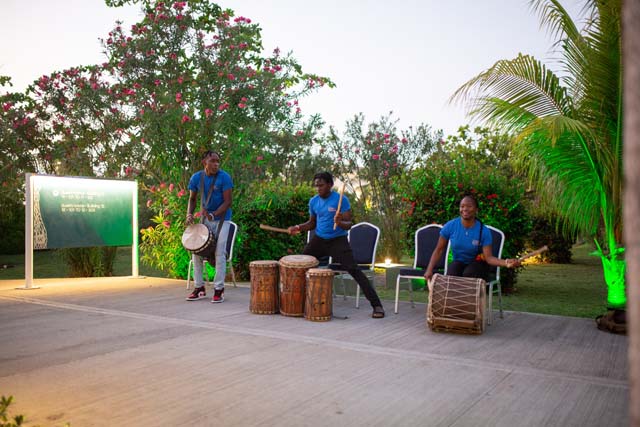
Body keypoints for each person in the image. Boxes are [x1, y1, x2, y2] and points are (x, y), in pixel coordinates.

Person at [287, 172, 385, 318]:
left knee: (354, 270)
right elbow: (312, 223)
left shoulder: (341, 200)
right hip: (319, 240)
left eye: (321, 185)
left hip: (338, 241)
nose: (318, 188)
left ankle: (377, 306)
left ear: (330, 185)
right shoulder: (313, 201)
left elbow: (348, 224)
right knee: (300, 266)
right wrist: (298, 227)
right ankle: (294, 303)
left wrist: (339, 222)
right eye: (316, 186)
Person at [424, 195, 520, 282]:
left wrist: (506, 262)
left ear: (476, 210)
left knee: (469, 273)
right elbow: (439, 250)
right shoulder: (451, 226)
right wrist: (429, 269)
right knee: (452, 272)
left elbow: (489, 258)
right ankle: (453, 296)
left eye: (469, 206)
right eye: (462, 206)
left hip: (478, 264)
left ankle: (471, 296)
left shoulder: (483, 231)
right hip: (459, 262)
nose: (465, 209)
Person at [185, 150, 233, 303]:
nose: (216, 164)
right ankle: (199, 288)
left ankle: (219, 289)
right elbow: (192, 199)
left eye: (218, 161)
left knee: (219, 253)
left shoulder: (224, 177)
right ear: (204, 162)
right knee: (197, 251)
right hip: (206, 219)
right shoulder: (196, 178)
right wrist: (189, 214)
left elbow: (228, 202)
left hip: (223, 220)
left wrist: (214, 214)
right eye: (212, 161)